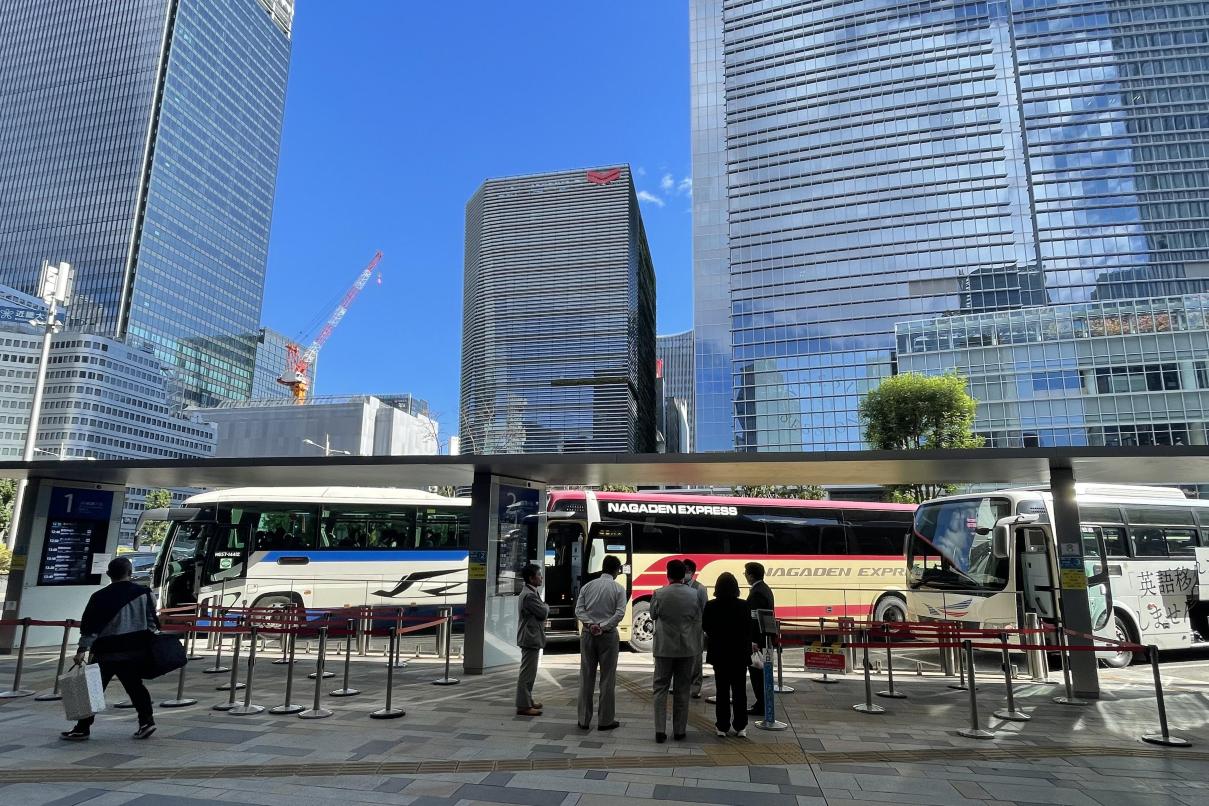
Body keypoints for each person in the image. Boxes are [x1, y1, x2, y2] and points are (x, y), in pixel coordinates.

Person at [60, 556, 159, 741]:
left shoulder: (99, 596)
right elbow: (152, 622)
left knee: (93, 689)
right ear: (130, 573)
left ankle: (82, 728)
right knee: (136, 688)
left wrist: (82, 649)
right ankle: (146, 722)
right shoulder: (144, 593)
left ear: (108, 574)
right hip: (133, 650)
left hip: (105, 651)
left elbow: (90, 627)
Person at [650, 559, 701, 743]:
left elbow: (653, 615)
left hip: (664, 648)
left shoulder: (659, 593)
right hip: (687, 648)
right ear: (684, 575)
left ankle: (659, 730)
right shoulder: (694, 595)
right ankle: (679, 731)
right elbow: (697, 616)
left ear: (667, 574)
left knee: (660, 688)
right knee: (682, 689)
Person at [574, 555, 627, 730]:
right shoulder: (619, 589)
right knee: (607, 678)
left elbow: (579, 610)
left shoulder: (587, 586)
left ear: (603, 567)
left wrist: (590, 624)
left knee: (586, 676)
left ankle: (583, 719)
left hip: (588, 635)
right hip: (608, 636)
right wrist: (603, 626)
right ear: (616, 570)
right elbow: (619, 613)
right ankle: (605, 720)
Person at [702, 572, 751, 737]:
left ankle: (722, 726)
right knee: (739, 691)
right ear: (736, 588)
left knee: (722, 690)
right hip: (739, 654)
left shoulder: (711, 605)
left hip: (720, 654)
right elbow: (748, 628)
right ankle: (741, 726)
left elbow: (706, 627)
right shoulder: (744, 606)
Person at [515, 563, 549, 716]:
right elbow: (543, 612)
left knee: (530, 672)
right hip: (530, 637)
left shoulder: (530, 592)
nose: (541, 577)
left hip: (531, 636)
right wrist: (546, 606)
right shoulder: (529, 595)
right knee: (527, 673)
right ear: (531, 578)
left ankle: (527, 700)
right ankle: (523, 705)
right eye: (539, 575)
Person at [744, 561, 774, 716]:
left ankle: (761, 704)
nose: (745, 576)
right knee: (760, 673)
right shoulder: (764, 589)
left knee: (757, 674)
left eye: (746, 573)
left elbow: (754, 619)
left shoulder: (757, 593)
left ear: (750, 575)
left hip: (758, 641)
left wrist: (753, 640)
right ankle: (761, 703)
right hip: (765, 638)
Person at [682, 558, 708, 698]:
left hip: (696, 627)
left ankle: (695, 687)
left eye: (686, 571)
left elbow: (705, 608)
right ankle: (682, 684)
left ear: (692, 572)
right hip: (682, 627)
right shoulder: (678, 586)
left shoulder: (700, 588)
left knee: (696, 659)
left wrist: (705, 628)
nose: (684, 574)